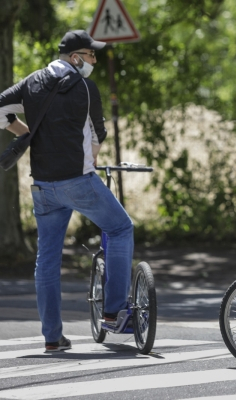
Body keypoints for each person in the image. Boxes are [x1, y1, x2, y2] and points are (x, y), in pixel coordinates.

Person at [0, 30, 134, 352]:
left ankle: (52, 337)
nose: (94, 61)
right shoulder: (86, 88)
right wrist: (92, 159)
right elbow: (96, 137)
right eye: (91, 55)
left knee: (47, 258)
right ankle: (114, 313)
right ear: (75, 58)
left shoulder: (31, 82)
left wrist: (27, 132)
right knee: (120, 228)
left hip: (43, 186)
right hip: (78, 182)